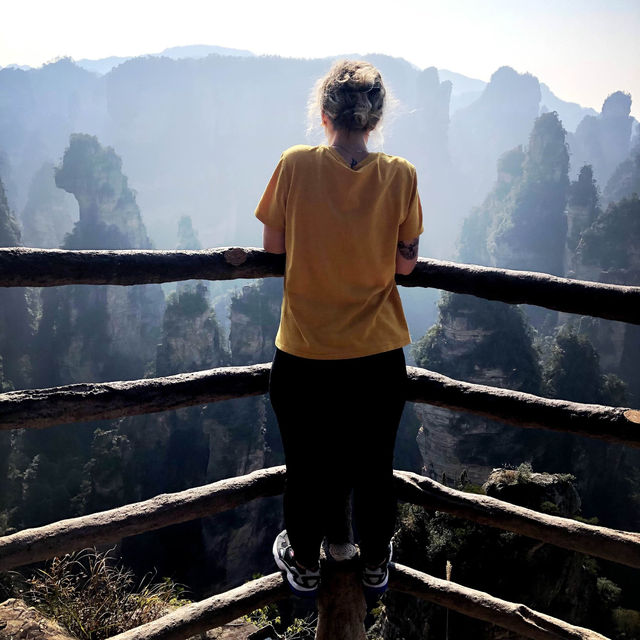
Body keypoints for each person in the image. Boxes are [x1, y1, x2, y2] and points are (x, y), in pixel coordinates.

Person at [254, 59, 423, 599]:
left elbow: (273, 250)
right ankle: (375, 561)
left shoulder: (295, 164)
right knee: (374, 464)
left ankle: (304, 564)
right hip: (377, 355)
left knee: (307, 465)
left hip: (305, 352)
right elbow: (406, 264)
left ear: (324, 114)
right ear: (374, 120)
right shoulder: (400, 174)